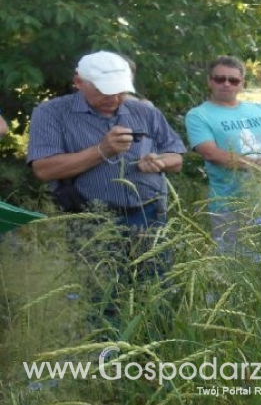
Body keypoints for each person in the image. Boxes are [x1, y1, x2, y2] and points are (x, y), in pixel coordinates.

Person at [26, 50, 186, 327]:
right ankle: (106, 361)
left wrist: (160, 161)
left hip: (149, 215)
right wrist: (102, 150)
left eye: (120, 91)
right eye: (105, 91)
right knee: (101, 299)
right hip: (92, 219)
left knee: (156, 293)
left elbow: (177, 157)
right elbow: (44, 169)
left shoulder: (144, 111)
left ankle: (153, 360)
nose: (114, 99)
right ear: (79, 82)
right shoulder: (51, 113)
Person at [185, 55, 261, 259]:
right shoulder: (199, 115)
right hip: (230, 204)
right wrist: (254, 166)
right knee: (236, 262)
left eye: (233, 80)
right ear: (210, 81)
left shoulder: (257, 109)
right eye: (220, 79)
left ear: (242, 84)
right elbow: (210, 152)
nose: (226, 84)